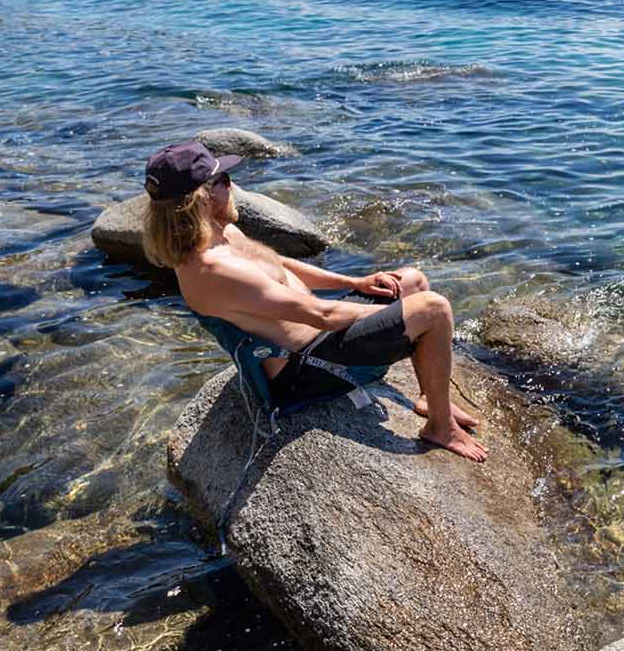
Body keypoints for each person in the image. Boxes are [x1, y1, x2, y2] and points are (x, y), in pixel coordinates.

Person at [140, 140, 486, 462]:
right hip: (305, 368)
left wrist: (355, 282)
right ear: (200, 199)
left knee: (411, 281)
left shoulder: (221, 234)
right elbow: (321, 314)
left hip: (317, 337)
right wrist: (396, 314)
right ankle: (440, 427)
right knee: (433, 309)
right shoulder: (212, 270)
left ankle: (431, 398)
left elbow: (280, 264)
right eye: (224, 180)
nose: (233, 187)